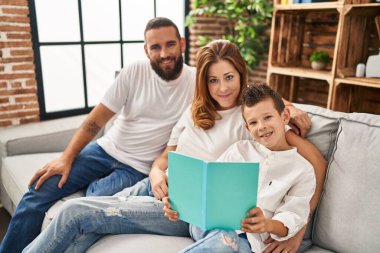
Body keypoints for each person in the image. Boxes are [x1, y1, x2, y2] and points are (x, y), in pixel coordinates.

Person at [23, 40, 325, 253]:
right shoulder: (195, 110)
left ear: (242, 75)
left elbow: (311, 161)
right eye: (212, 80)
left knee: (78, 213)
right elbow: (165, 158)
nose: (222, 88)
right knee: (81, 218)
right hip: (162, 190)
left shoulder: (251, 120)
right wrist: (156, 176)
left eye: (230, 77)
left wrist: (297, 232)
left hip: (192, 211)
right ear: (203, 83)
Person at [0, 17, 196, 253]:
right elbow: (95, 120)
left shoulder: (197, 82)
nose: (164, 53)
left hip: (136, 167)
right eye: (155, 47)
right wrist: (67, 157)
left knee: (96, 198)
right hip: (104, 149)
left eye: (170, 44)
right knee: (40, 188)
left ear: (182, 44)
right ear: (146, 50)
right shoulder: (134, 71)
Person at [163, 83, 317, 253]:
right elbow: (208, 188)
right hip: (210, 224)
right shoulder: (239, 150)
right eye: (253, 122)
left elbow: (293, 216)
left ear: (284, 116)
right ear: (247, 128)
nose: (261, 126)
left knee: (225, 242)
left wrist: (268, 224)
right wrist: (177, 205)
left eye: (268, 117)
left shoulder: (303, 170)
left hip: (247, 241)